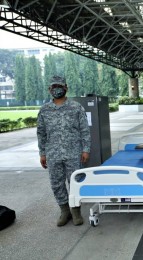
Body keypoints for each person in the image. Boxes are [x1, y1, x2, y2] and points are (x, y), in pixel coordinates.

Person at [37, 76, 91, 226]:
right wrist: (42, 153)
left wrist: (86, 149)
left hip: (74, 152)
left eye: (59, 86)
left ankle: (76, 211)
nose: (56, 89)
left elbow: (84, 130)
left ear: (66, 88)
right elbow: (41, 133)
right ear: (49, 90)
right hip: (53, 154)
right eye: (53, 87)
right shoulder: (44, 110)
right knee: (56, 183)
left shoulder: (76, 107)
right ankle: (64, 211)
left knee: (75, 182)